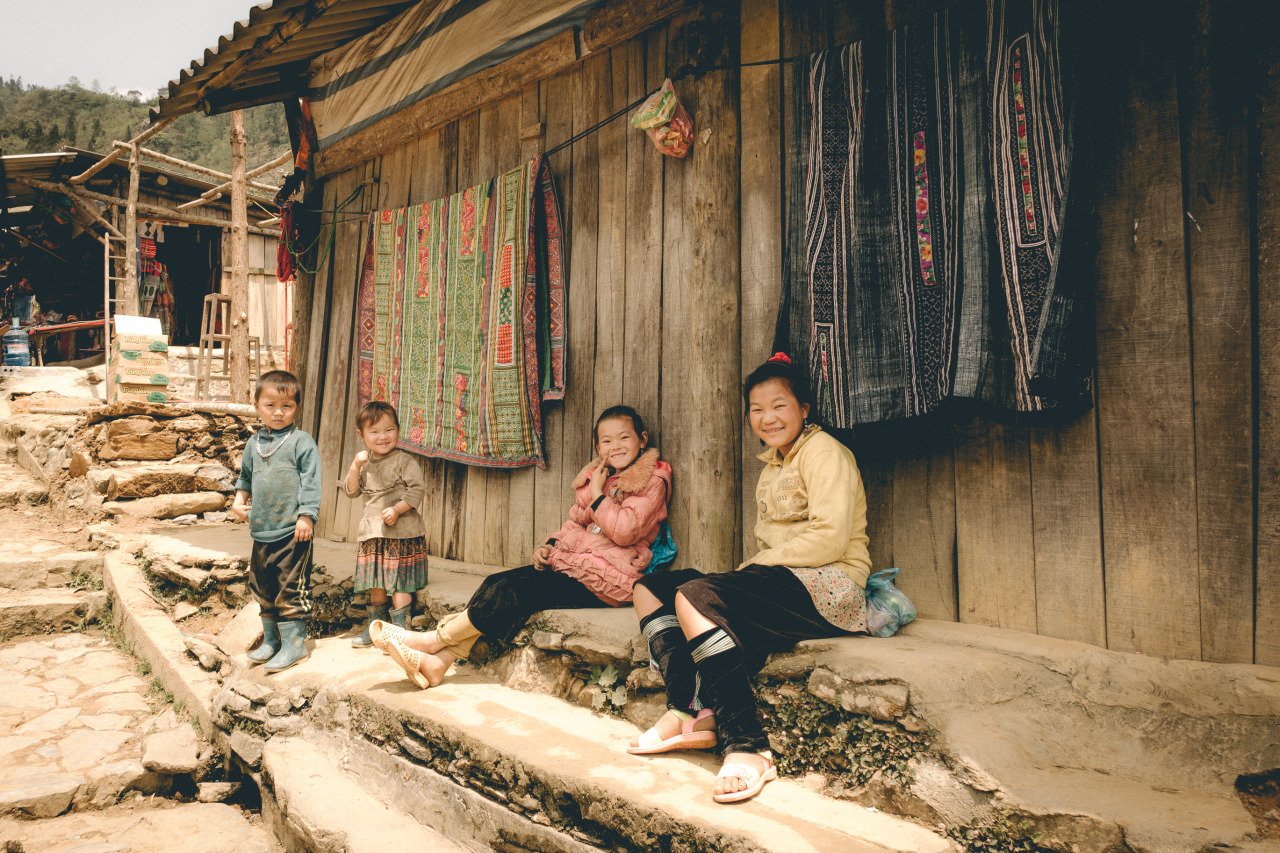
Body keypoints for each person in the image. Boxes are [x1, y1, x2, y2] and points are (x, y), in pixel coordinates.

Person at [628, 353, 870, 804]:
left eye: (779, 405)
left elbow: (831, 539)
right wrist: (753, 572)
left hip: (830, 586)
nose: (767, 418)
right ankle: (690, 711)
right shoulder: (774, 464)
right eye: (757, 409)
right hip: (779, 580)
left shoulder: (825, 453)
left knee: (696, 597)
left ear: (804, 408)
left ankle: (749, 744)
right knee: (650, 587)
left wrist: (750, 572)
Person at [373, 405, 672, 689]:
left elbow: (624, 531)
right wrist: (551, 545)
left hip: (610, 580)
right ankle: (439, 663)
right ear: (597, 448)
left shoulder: (652, 479)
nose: (615, 446)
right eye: (607, 441)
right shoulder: (604, 478)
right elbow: (575, 523)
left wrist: (596, 495)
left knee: (516, 592)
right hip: (579, 565)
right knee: (497, 581)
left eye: (624, 438)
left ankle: (431, 641)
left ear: (642, 440)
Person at [229, 370, 322, 673]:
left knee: (290, 586)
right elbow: (244, 477)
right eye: (270, 405)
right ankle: (271, 641)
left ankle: (294, 644)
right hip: (261, 530)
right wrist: (239, 500)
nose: (279, 412)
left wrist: (306, 516)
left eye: (287, 406)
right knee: (262, 585)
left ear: (297, 408)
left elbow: (311, 481)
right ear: (256, 405)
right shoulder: (253, 444)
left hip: (293, 531)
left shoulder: (301, 442)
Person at [343, 400, 428, 648]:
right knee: (376, 584)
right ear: (362, 435)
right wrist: (354, 466)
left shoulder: (404, 461)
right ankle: (376, 628)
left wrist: (398, 509)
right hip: (373, 535)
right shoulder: (364, 462)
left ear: (398, 430)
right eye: (375, 431)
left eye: (389, 430)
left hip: (401, 534)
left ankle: (400, 632)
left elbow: (417, 490)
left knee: (400, 583)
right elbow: (351, 491)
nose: (383, 437)